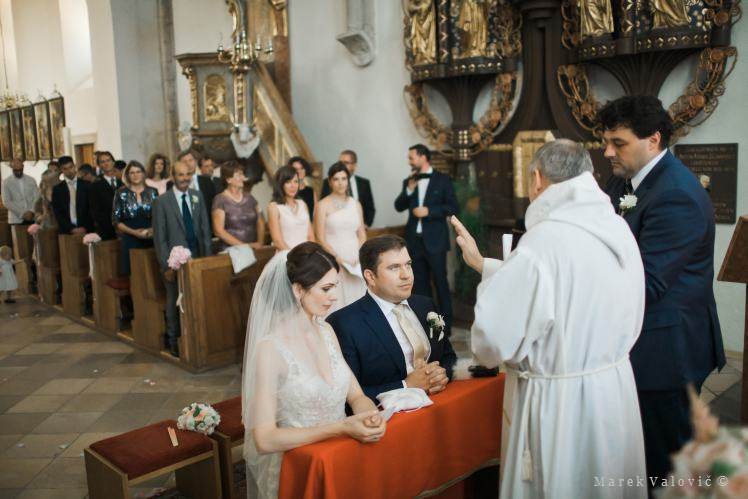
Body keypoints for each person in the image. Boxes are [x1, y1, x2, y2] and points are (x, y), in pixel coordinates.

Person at [452, 139, 647, 498]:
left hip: (561, 404)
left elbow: (492, 341)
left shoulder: (543, 242)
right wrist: (484, 265)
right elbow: (574, 290)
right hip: (612, 390)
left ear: (538, 179)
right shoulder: (616, 228)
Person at [599, 96, 725, 488]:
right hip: (642, 338)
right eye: (606, 141)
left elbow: (647, 284)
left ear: (653, 140)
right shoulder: (623, 181)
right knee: (641, 453)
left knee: (668, 461)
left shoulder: (676, 195)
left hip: (668, 348)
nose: (608, 152)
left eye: (618, 143)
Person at [242, 242, 386, 499]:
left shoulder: (327, 331)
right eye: (326, 289)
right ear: (298, 290)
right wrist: (341, 427)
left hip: (339, 454)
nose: (334, 297)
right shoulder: (270, 349)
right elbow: (264, 439)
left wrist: (369, 415)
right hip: (298, 467)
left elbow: (356, 396)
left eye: (335, 288)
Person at [327, 235, 457, 401]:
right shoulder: (344, 323)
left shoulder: (425, 305)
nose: (406, 275)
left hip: (441, 404)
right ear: (370, 276)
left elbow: (448, 356)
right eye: (394, 268)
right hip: (390, 420)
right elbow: (345, 395)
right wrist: (405, 386)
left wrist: (442, 374)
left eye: (408, 265)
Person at [152, 160, 213, 357]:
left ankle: (196, 338)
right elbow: (160, 238)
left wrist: (208, 260)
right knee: (173, 301)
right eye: (180, 175)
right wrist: (166, 266)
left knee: (197, 299)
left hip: (196, 259)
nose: (185, 178)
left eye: (187, 174)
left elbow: (205, 229)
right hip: (173, 262)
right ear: (172, 176)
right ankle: (174, 339)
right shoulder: (162, 202)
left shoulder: (197, 196)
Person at [394, 144, 458, 328]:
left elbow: (453, 207)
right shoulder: (410, 181)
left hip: (436, 242)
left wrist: (429, 211)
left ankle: (445, 325)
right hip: (414, 242)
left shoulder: (442, 180)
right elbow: (398, 206)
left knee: (440, 282)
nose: (409, 161)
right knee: (420, 285)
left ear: (423, 157)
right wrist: (409, 190)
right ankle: (427, 323)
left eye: (411, 157)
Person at [315, 162, 367, 310]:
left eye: (344, 178)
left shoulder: (355, 204)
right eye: (336, 179)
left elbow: (361, 233)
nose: (340, 183)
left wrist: (360, 255)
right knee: (339, 299)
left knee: (358, 295)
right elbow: (319, 237)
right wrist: (337, 258)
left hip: (355, 257)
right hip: (334, 257)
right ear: (330, 182)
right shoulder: (322, 205)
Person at [113, 161, 159, 275]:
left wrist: (152, 230)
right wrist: (134, 232)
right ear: (127, 175)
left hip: (151, 236)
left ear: (143, 173)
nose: (135, 175)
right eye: (132, 172)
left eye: (138, 171)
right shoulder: (120, 193)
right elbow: (116, 220)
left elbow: (159, 216)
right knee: (134, 275)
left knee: (153, 273)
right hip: (130, 237)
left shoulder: (153, 191)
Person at [211, 161, 265, 251]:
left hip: (254, 249)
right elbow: (218, 231)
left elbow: (261, 221)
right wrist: (245, 246)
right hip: (231, 251)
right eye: (239, 175)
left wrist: (260, 243)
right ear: (228, 180)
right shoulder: (220, 200)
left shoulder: (250, 198)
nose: (243, 178)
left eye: (242, 174)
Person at [321, 150, 375, 227]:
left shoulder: (364, 183)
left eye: (346, 163)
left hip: (359, 229)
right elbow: (323, 209)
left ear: (354, 165)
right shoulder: (328, 182)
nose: (341, 165)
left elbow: (370, 208)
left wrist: (365, 225)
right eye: (340, 162)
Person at [267, 166, 314, 250]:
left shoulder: (302, 204)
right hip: (286, 256)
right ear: (280, 184)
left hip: (306, 256)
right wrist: (294, 260)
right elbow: (277, 241)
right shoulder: (274, 207)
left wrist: (311, 255)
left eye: (296, 181)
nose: (293, 186)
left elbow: (310, 236)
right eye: (288, 182)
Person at [168, 150, 217, 226]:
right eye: (184, 161)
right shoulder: (171, 184)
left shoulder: (207, 181)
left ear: (195, 162)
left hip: (206, 226)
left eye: (190, 160)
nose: (188, 164)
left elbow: (214, 205)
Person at [51, 156, 94, 235]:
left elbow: (91, 208)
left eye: (71, 167)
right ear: (61, 170)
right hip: (66, 231)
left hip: (87, 229)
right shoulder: (57, 189)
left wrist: (85, 227)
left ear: (75, 166)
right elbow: (58, 213)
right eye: (65, 169)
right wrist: (70, 228)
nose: (69, 171)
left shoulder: (87, 185)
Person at [89, 151, 124, 240]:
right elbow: (95, 210)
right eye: (102, 162)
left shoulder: (123, 182)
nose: (106, 164)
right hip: (107, 229)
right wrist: (112, 225)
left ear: (113, 162)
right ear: (99, 165)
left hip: (125, 227)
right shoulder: (95, 185)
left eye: (108, 160)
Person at [1, 158, 40, 225]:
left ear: (23, 166)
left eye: (20, 170)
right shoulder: (6, 182)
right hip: (16, 219)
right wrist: (22, 213)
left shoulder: (31, 180)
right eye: (15, 170)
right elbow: (6, 201)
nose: (18, 172)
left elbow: (37, 197)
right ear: (11, 168)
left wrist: (31, 211)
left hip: (32, 217)